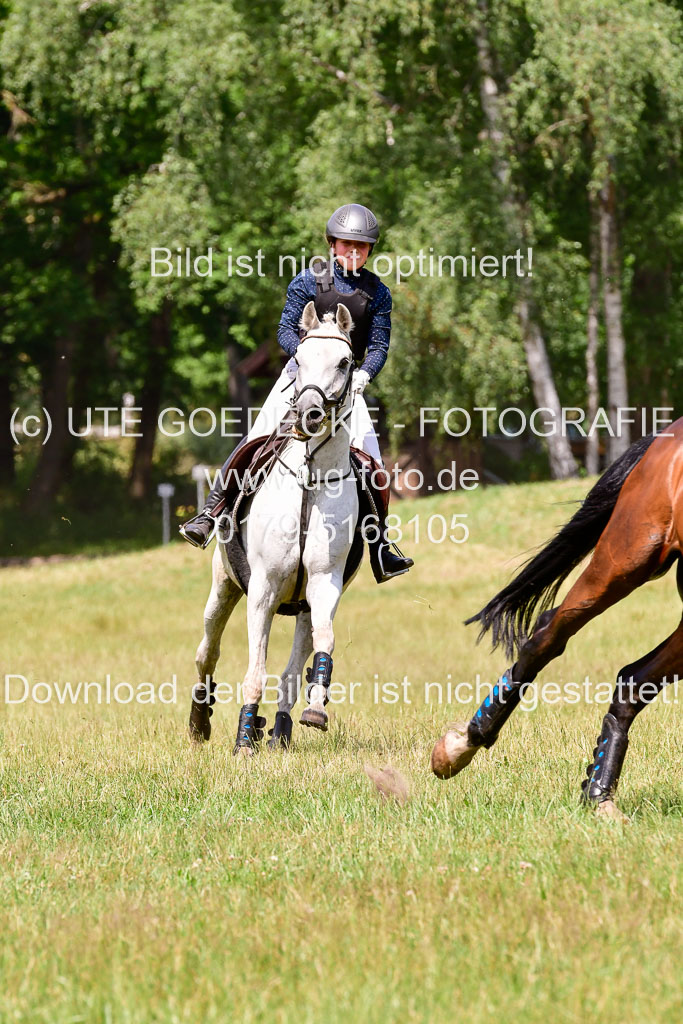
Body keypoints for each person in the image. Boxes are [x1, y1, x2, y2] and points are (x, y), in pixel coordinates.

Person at [180, 202, 413, 582]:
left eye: (362, 246)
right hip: (300, 376)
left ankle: (381, 546)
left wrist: (363, 374)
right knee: (255, 439)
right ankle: (211, 513)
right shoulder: (308, 280)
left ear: (370, 250)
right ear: (332, 244)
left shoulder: (378, 293)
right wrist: (307, 357)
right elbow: (285, 330)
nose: (354, 252)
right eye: (346, 244)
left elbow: (380, 346)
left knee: (371, 460)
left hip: (345, 384)